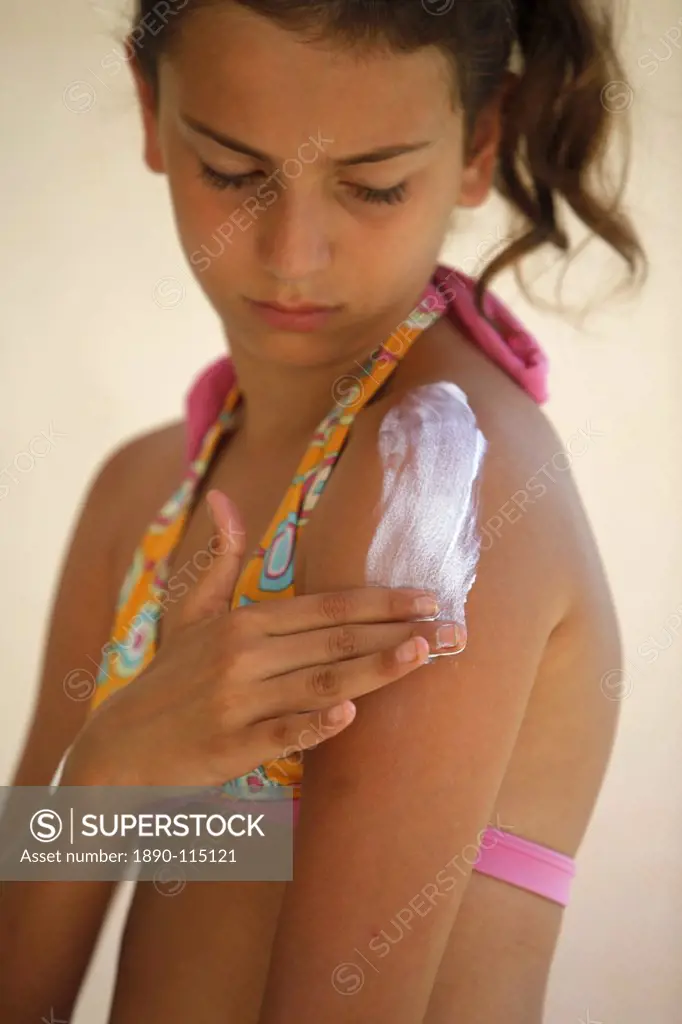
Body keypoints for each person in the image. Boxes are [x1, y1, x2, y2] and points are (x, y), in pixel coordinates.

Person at [1, 1, 645, 1022]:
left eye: (374, 183)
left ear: (481, 142)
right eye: (232, 171)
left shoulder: (440, 482)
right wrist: (114, 774)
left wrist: (118, 792)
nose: (293, 255)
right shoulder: (144, 499)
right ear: (147, 104)